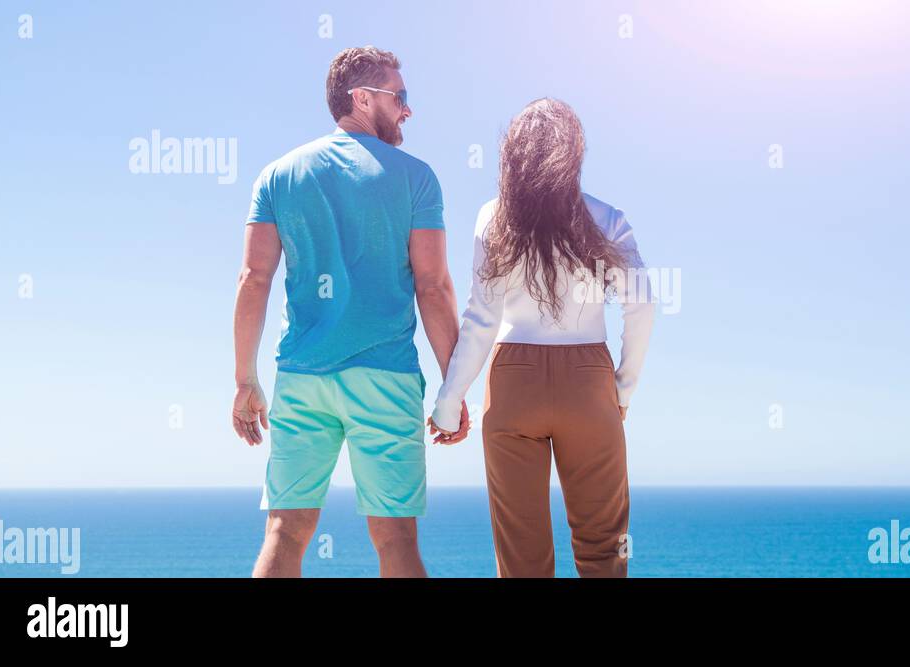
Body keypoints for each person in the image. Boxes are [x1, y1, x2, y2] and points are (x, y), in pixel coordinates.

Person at [231, 46, 469, 578]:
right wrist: (453, 387)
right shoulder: (417, 178)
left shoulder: (277, 176)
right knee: (397, 540)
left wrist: (245, 378)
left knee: (285, 533)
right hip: (385, 379)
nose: (408, 110)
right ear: (362, 98)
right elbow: (433, 287)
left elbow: (253, 280)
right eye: (400, 97)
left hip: (301, 376)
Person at [429, 98, 655, 577]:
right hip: (588, 382)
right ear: (575, 151)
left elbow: (481, 318)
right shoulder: (608, 217)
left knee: (522, 559)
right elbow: (642, 305)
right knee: (603, 550)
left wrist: (450, 401)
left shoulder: (493, 218)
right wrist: (622, 388)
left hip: (513, 383)